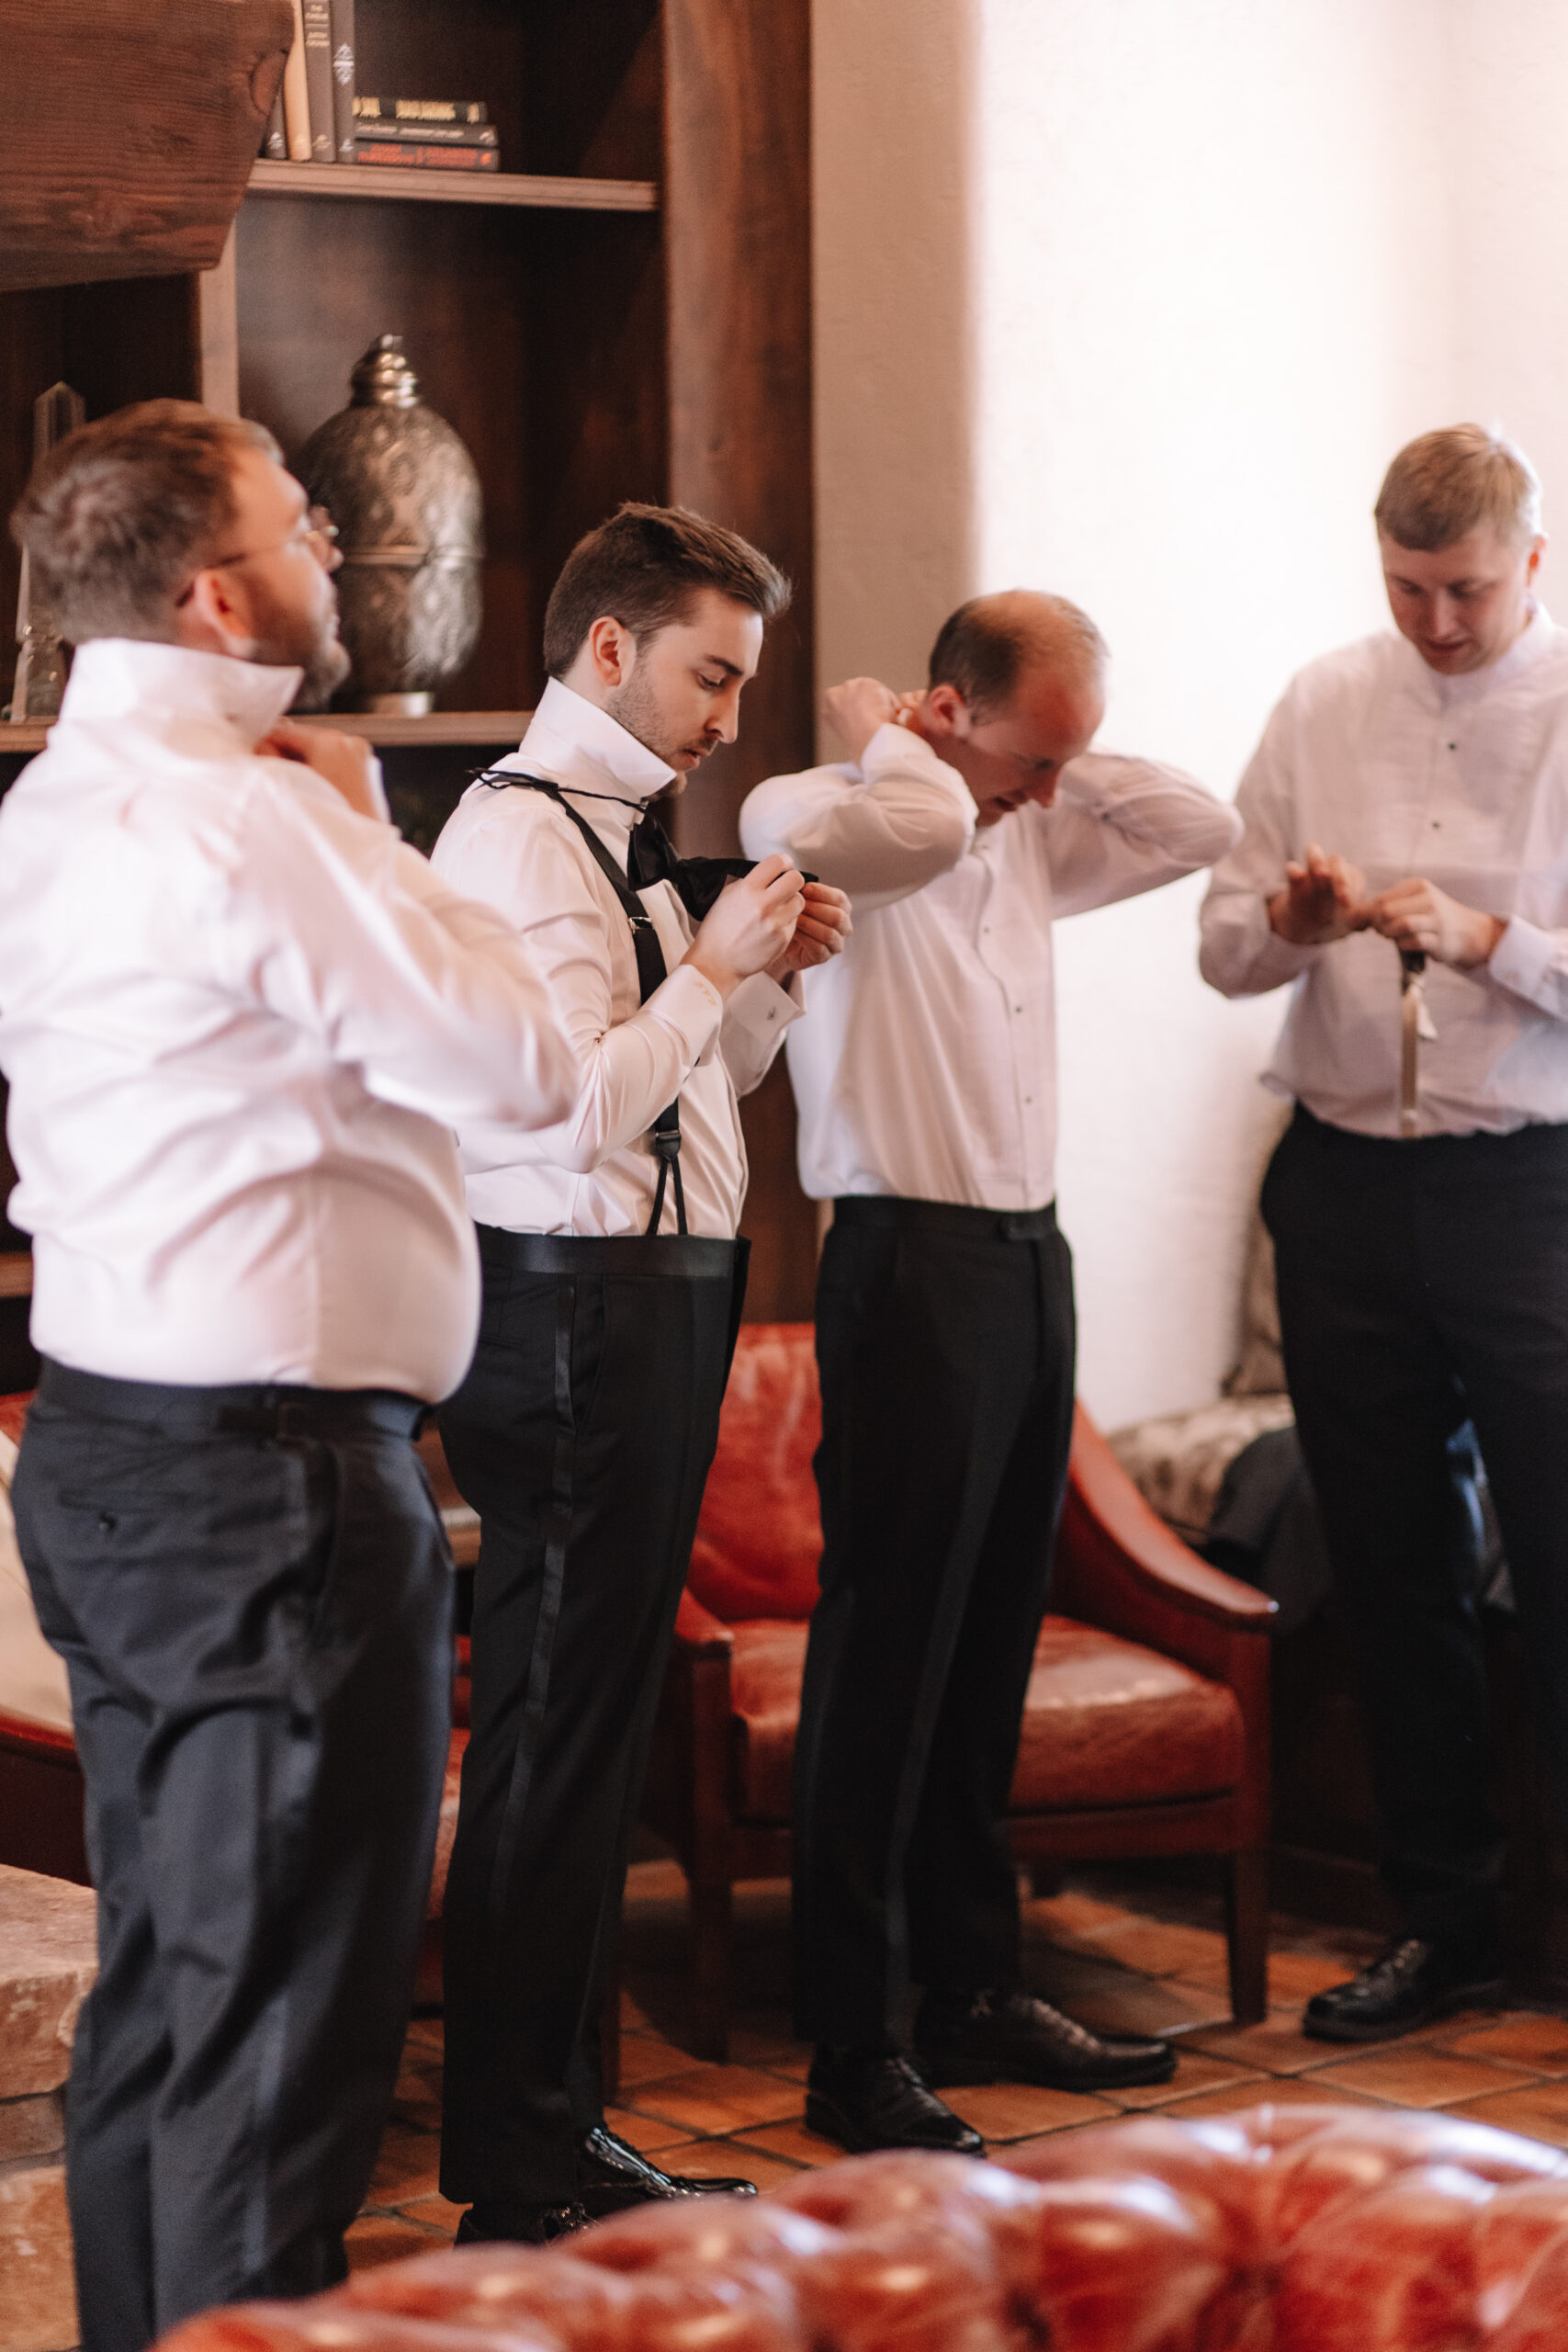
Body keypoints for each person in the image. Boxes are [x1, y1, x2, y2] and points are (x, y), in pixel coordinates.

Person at [0, 401, 577, 2352]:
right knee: (276, 2058)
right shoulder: (258, 818)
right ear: (215, 589)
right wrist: (366, 829)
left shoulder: (57, 796)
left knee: (173, 2007)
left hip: (105, 1453)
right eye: (299, 521)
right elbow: (528, 1067)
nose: (338, 541)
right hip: (270, 1494)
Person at [739, 590, 1241, 2154]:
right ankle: (852, 2045)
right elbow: (903, 830)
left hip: (1030, 1259)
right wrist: (910, 747)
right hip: (907, 1260)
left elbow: (1199, 821)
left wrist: (1039, 764)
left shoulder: (1031, 824)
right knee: (887, 1652)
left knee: (990, 1650)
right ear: (952, 712)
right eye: (1031, 755)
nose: (1045, 791)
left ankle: (972, 1987)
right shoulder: (825, 810)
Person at [428, 503, 852, 2243]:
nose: (730, 717)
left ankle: (558, 2122)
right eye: (710, 674)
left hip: (656, 1288)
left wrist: (756, 995)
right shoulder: (519, 840)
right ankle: (520, 2150)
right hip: (570, 1313)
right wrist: (707, 968)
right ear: (610, 650)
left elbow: (674, 1097)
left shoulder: (616, 831)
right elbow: (562, 1107)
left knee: (589, 1734)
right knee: (555, 1730)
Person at [1201, 424, 1568, 2044]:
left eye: (1466, 591)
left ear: (1533, 563)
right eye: (1408, 588)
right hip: (1344, 1180)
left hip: (1532, 1192)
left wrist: (1495, 940)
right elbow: (1220, 952)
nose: (1435, 623)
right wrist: (1282, 927)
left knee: (1561, 1560)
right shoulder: (1321, 701)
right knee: (1391, 1565)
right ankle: (1446, 1923)